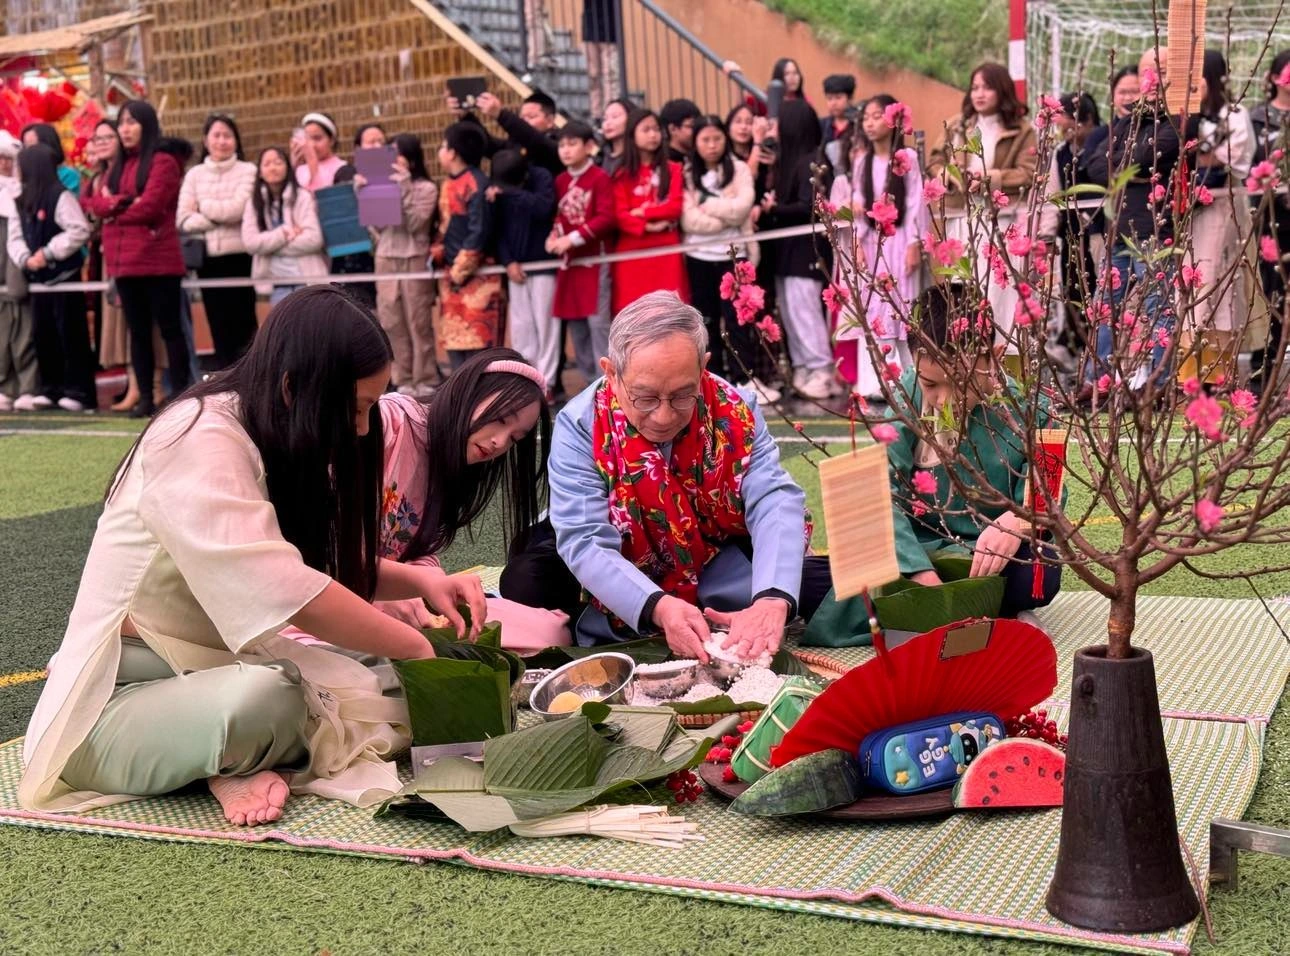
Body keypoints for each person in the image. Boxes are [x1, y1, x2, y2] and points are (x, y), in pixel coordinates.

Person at [15, 287, 494, 825]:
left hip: (209, 663)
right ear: (294, 388)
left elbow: (314, 562)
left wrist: (420, 583)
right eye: (357, 408)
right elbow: (283, 589)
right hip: (112, 695)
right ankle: (224, 759)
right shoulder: (197, 437)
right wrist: (413, 647)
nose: (362, 428)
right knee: (270, 700)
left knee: (374, 677)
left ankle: (228, 755)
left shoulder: (267, 426)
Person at [503, 291, 828, 657]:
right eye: (645, 398)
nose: (664, 416)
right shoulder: (581, 424)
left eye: (682, 396)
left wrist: (771, 599)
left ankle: (728, 601)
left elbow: (773, 499)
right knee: (526, 582)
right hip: (622, 552)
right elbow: (585, 537)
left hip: (711, 549)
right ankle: (655, 609)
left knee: (810, 586)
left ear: (702, 368)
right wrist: (657, 605)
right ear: (611, 373)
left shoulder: (735, 409)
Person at [885, 284, 1061, 615]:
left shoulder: (1028, 401)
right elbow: (881, 491)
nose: (944, 401)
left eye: (960, 382)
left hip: (992, 555)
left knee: (1042, 570)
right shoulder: (907, 394)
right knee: (824, 580)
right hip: (918, 550)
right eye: (931, 385)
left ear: (992, 357)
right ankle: (964, 597)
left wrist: (1016, 521)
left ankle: (955, 596)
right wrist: (920, 573)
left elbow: (1049, 490)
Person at [375, 349, 568, 649]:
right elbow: (325, 555)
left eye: (515, 438)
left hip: (408, 602)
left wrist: (432, 581)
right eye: (501, 419)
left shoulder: (456, 469)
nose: (500, 442)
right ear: (469, 390)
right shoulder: (393, 419)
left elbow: (419, 553)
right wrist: (405, 588)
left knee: (551, 633)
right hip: (344, 598)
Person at [81, 100, 192, 419]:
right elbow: (91, 203)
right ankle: (145, 396)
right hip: (124, 263)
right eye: (122, 122)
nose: (125, 128)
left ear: (147, 123)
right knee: (138, 333)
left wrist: (114, 210)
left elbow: (152, 206)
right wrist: (122, 203)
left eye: (132, 122)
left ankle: (182, 392)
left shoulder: (164, 160)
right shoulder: (119, 165)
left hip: (159, 261)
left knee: (171, 330)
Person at [1082, 47, 1182, 393]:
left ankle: (1159, 383)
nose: (1153, 79)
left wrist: (1125, 167)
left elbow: (1150, 155)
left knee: (1158, 308)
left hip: (1156, 230)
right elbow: (1094, 164)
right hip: (1119, 232)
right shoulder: (1128, 121)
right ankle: (1097, 381)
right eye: (1146, 72)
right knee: (1104, 307)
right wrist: (1132, 169)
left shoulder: (1180, 117)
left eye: (1162, 70)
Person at [927, 61, 1038, 349]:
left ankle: (1004, 360)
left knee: (1000, 292)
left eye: (987, 87)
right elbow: (934, 160)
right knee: (962, 289)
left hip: (1000, 223)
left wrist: (991, 179)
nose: (979, 94)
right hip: (959, 219)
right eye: (974, 87)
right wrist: (948, 175)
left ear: (1002, 91)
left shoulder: (1022, 131)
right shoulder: (956, 126)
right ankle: (965, 361)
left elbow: (1029, 172)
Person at [835, 94, 926, 401]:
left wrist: (915, 242)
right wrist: (859, 242)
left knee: (903, 305)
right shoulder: (863, 161)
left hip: (899, 240)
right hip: (874, 243)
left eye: (878, 116)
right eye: (867, 118)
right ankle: (879, 381)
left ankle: (911, 378)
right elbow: (860, 200)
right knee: (875, 307)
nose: (871, 123)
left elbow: (915, 203)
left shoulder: (907, 159)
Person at [681, 114, 774, 398]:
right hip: (699, 256)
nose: (712, 145)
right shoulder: (687, 174)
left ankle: (744, 379)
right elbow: (689, 220)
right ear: (695, 143)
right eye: (705, 140)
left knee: (737, 320)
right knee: (705, 319)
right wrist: (725, 218)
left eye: (717, 139)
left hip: (734, 257)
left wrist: (708, 203)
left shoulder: (739, 169)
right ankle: (712, 378)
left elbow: (743, 207)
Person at [1182, 49, 1255, 386]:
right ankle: (1186, 374)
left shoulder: (1234, 116)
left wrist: (1201, 155)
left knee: (1214, 283)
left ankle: (1216, 375)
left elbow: (1229, 160)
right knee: (1187, 282)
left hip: (1221, 207)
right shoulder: (1180, 114)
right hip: (1185, 213)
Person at [759, 98, 838, 400]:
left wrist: (776, 207)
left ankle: (821, 368)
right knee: (792, 312)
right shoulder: (790, 162)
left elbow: (812, 206)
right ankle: (804, 366)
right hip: (787, 253)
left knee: (804, 311)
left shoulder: (812, 161)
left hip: (806, 252)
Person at [7, 145, 95, 412]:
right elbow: (15, 236)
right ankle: (50, 388)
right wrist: (25, 258)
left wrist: (47, 253)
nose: (15, 171)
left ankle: (79, 391)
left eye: (20, 165)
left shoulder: (60, 196)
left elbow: (79, 230)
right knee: (43, 333)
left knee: (71, 333)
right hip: (38, 279)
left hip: (64, 277)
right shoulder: (20, 199)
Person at [177, 114, 258, 369]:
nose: (221, 141)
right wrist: (218, 218)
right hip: (207, 260)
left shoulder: (249, 171)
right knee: (217, 323)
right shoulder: (194, 175)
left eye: (227, 135)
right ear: (206, 140)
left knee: (245, 323)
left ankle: (250, 375)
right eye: (216, 135)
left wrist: (204, 208)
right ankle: (225, 378)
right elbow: (183, 219)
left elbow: (240, 209)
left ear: (236, 140)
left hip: (241, 257)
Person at [372, 133, 439, 401]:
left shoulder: (426, 188)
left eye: (397, 153)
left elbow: (416, 224)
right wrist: (365, 193)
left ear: (410, 158)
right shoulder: (382, 184)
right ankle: (402, 378)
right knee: (391, 321)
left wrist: (405, 187)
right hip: (387, 257)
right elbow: (377, 226)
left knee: (418, 320)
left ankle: (425, 377)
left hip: (413, 256)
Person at [550, 120, 616, 386]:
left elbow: (606, 217)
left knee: (598, 324)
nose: (565, 150)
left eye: (572, 144)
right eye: (562, 144)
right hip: (570, 264)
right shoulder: (560, 180)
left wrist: (573, 238)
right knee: (576, 325)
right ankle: (590, 383)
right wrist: (554, 236)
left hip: (594, 261)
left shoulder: (599, 177)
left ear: (589, 146)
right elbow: (559, 215)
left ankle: (608, 384)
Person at [433, 122, 501, 368]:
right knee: (454, 349)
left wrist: (458, 271)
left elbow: (479, 232)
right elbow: (444, 227)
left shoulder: (476, 183)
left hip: (476, 280)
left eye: (443, 145)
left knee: (478, 353)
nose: (440, 151)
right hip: (451, 279)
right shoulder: (448, 183)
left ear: (453, 152)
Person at [492, 148, 558, 397]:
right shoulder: (498, 185)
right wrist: (507, 260)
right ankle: (524, 377)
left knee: (546, 324)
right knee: (521, 325)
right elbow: (497, 228)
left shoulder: (540, 178)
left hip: (543, 263)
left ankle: (547, 381)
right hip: (515, 266)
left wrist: (512, 192)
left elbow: (544, 207)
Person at [611, 108, 687, 313]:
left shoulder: (673, 169)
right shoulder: (621, 174)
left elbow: (675, 206)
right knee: (634, 315)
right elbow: (620, 215)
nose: (653, 134)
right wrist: (650, 227)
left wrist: (643, 212)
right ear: (632, 134)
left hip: (667, 250)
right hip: (632, 252)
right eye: (646, 129)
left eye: (656, 129)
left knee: (671, 312)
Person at [1250, 48, 1290, 392]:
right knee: (1271, 293)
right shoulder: (1256, 118)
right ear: (1275, 77)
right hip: (1270, 218)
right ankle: (1265, 372)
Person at [241, 146, 328, 305]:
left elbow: (314, 239)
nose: (273, 167)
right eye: (267, 164)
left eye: (278, 162)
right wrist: (284, 233)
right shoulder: (253, 203)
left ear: (287, 167)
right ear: (260, 172)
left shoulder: (303, 197)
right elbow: (250, 243)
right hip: (277, 286)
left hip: (307, 282)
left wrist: (269, 247)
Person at [0, 130, 38, 413]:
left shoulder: (23, 189)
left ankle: (27, 385)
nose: (4, 164)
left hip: (17, 260)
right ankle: (5, 385)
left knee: (22, 323)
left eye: (8, 159)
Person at [474, 90, 563, 176]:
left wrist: (500, 114)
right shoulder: (515, 143)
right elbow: (488, 144)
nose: (525, 121)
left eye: (531, 117)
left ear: (550, 120)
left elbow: (533, 139)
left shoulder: (558, 144)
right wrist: (466, 117)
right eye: (522, 118)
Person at [582, 0, 622, 118]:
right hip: (590, 31)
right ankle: (596, 114)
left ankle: (610, 112)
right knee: (593, 76)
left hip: (610, 33)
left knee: (610, 76)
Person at [20, 123, 80, 195]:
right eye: (26, 147)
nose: (29, 152)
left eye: (33, 147)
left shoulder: (68, 175)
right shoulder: (24, 178)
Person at [292, 112, 344, 192]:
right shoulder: (300, 170)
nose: (312, 145)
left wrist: (313, 164)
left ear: (332, 140)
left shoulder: (342, 169)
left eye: (317, 138)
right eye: (308, 138)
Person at [659, 98, 702, 164]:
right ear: (672, 129)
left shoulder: (700, 158)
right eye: (691, 126)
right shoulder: (664, 164)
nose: (697, 131)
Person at [820, 73, 858, 149]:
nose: (833, 103)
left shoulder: (858, 124)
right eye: (829, 98)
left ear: (850, 98)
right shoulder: (822, 125)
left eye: (838, 97)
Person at [598, 97, 633, 177]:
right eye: (605, 119)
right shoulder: (600, 156)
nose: (608, 123)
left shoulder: (638, 155)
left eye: (615, 117)